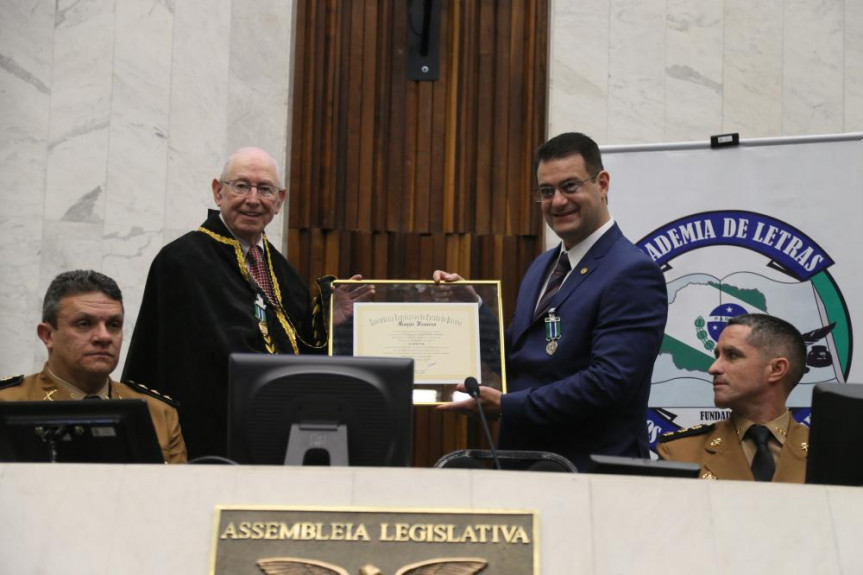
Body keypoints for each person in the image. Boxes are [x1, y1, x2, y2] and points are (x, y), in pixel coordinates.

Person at [435, 132, 668, 470]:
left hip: (590, 476)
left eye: (570, 186)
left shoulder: (632, 272)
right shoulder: (543, 265)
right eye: (546, 191)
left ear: (602, 184)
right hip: (525, 466)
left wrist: (506, 406)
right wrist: (472, 311)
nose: (557, 201)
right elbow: (521, 356)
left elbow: (608, 383)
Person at [123, 147, 369, 459]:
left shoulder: (284, 273)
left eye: (264, 189)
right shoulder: (183, 260)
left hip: (276, 438)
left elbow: (297, 350)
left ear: (279, 201)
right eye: (241, 186)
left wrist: (326, 322)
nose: (253, 199)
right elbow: (204, 359)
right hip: (206, 439)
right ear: (218, 192)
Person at [0, 270, 186, 463]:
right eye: (84, 323)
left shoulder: (159, 414)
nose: (104, 337)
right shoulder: (6, 403)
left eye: (114, 324)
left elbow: (177, 492)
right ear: (47, 335)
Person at [657, 314, 809, 482]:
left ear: (776, 369)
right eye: (717, 356)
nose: (713, 368)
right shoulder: (680, 452)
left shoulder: (832, 453)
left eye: (732, 355)